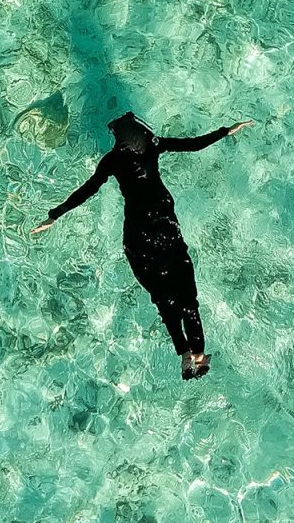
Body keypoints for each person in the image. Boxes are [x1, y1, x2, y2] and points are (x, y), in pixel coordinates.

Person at [32, 113, 251, 379]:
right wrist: (226, 131)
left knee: (164, 297)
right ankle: (197, 355)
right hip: (163, 231)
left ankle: (185, 353)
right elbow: (192, 144)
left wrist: (55, 215)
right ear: (139, 134)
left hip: (136, 240)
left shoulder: (112, 160)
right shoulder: (153, 145)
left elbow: (88, 189)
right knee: (186, 297)